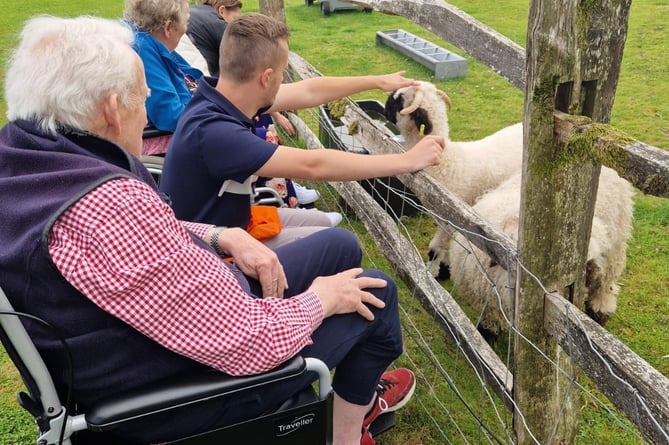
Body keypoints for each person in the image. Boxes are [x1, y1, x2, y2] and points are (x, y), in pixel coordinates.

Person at [0, 15, 417, 445]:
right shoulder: (107, 207)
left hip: (152, 342)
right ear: (110, 108)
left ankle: (350, 396)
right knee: (376, 294)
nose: (147, 115)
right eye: (141, 99)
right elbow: (250, 343)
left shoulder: (26, 162)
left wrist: (218, 235)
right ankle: (343, 434)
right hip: (179, 398)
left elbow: (122, 246)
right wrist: (321, 300)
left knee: (338, 250)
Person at [160, 13, 445, 249]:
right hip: (209, 253)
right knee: (341, 244)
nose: (284, 78)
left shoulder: (225, 95)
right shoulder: (217, 134)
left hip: (230, 222)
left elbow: (308, 90)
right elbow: (315, 164)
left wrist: (375, 81)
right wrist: (406, 161)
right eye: (283, 70)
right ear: (266, 78)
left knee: (322, 223)